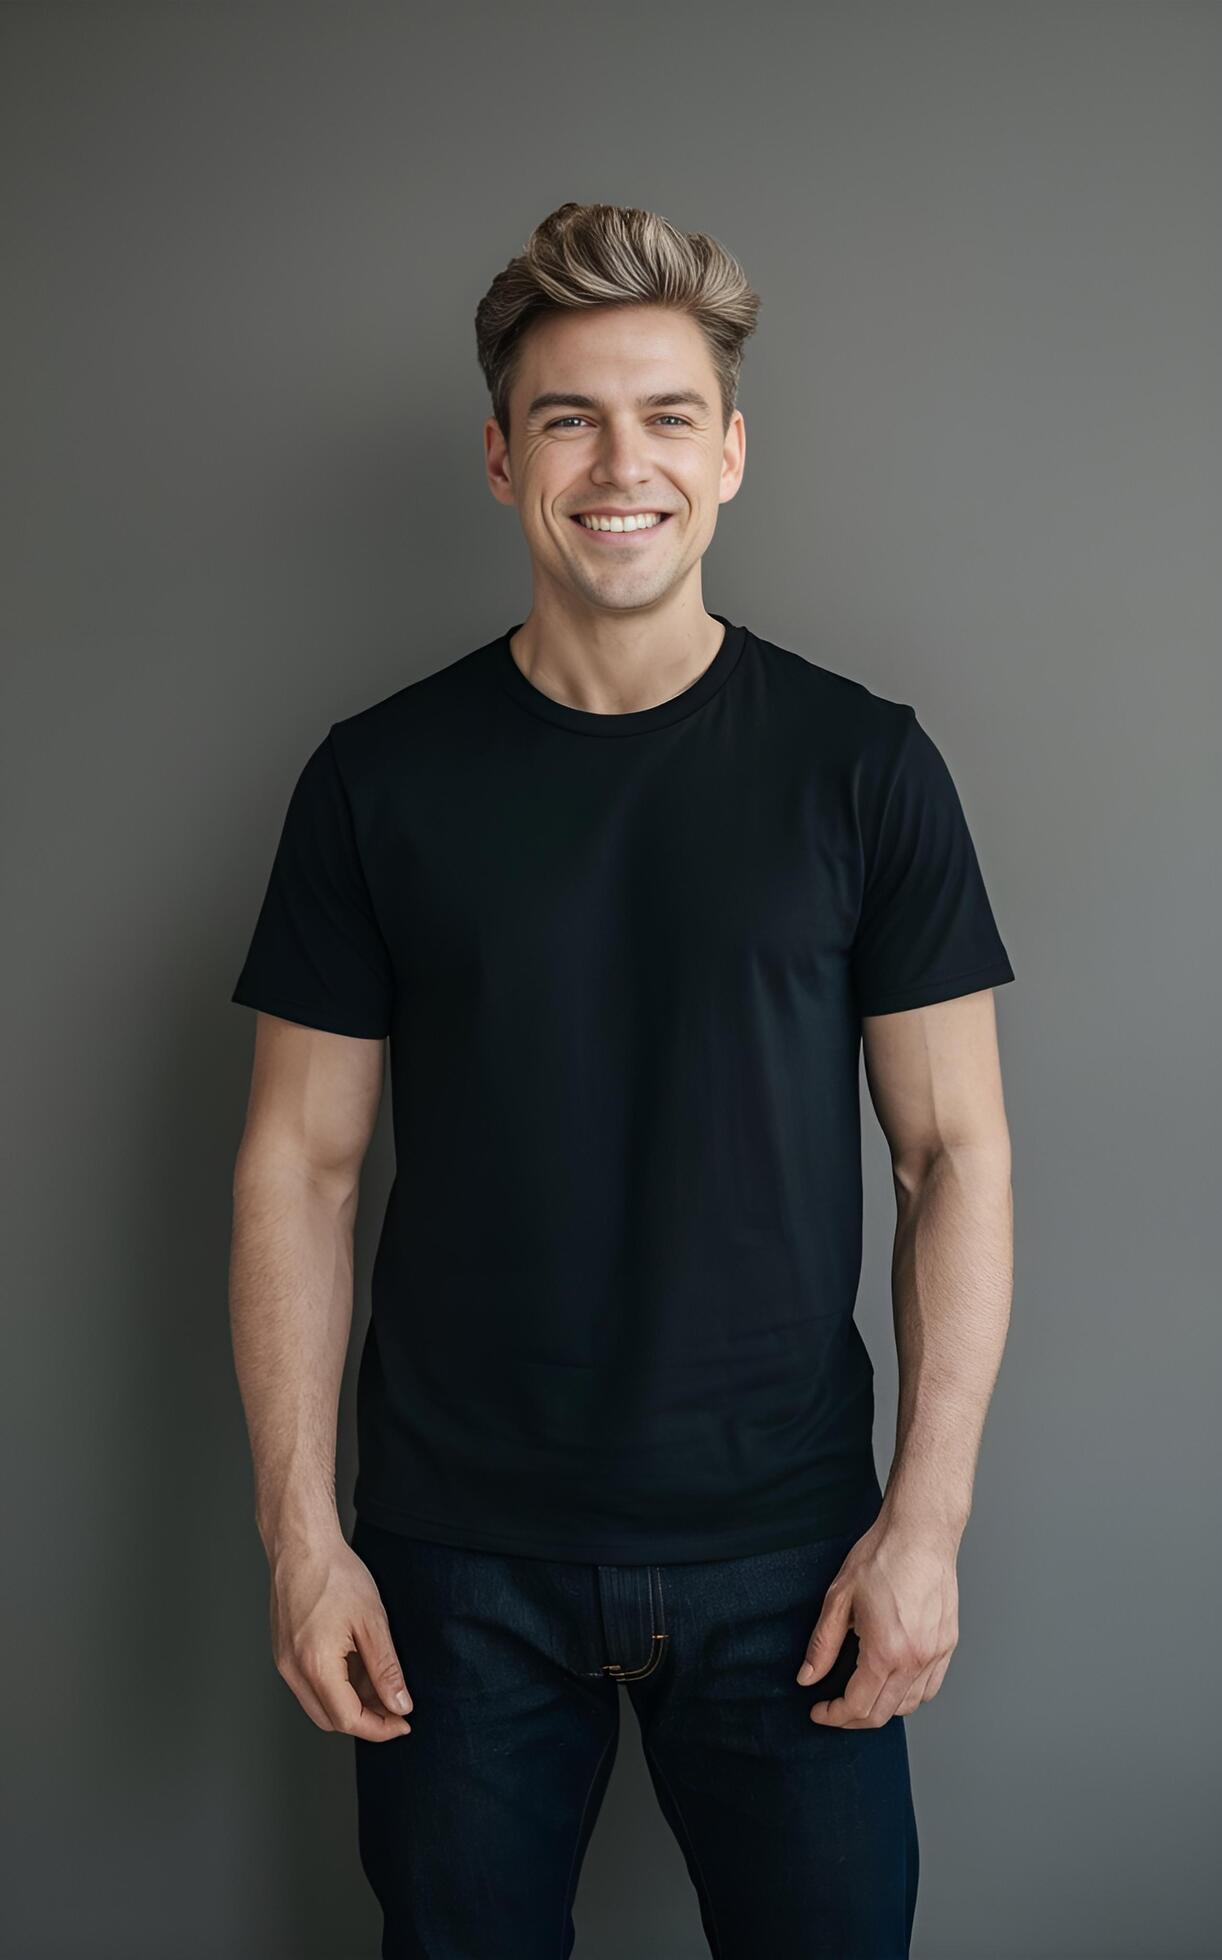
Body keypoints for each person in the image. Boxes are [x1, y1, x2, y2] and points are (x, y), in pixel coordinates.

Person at [228, 201, 1016, 1960]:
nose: (620, 463)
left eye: (666, 415)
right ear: (501, 456)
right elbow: (298, 1167)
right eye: (571, 417)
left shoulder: (861, 767)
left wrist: (926, 1523)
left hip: (792, 1561)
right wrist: (302, 1539)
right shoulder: (376, 781)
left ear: (728, 454)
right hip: (450, 1565)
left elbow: (952, 1153)